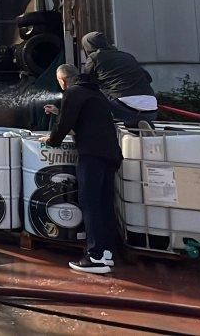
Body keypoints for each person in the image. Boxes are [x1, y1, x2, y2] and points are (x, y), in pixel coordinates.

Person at [44, 63, 123, 274]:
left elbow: (65, 124)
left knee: (89, 202)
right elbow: (86, 118)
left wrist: (51, 140)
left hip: (92, 155)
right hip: (110, 154)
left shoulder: (72, 92)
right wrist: (58, 111)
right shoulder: (94, 93)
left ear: (63, 80)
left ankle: (95, 256)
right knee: (104, 203)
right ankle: (106, 253)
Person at [80, 31, 158, 125]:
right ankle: (138, 127)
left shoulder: (95, 57)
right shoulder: (127, 56)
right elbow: (148, 78)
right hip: (152, 109)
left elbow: (85, 82)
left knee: (91, 91)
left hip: (124, 109)